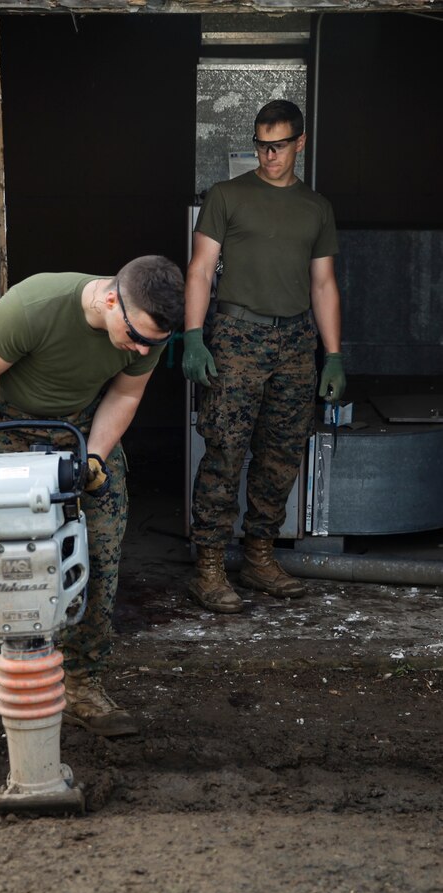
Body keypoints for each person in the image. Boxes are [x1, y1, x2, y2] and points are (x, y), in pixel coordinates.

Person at [0, 256, 184, 763]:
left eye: (152, 345)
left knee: (97, 556)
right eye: (136, 337)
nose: (140, 350)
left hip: (78, 432)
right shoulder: (34, 305)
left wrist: (93, 457)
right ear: (112, 299)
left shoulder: (145, 332)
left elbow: (127, 393)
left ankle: (82, 682)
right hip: (8, 428)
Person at [182, 99, 345, 614]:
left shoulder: (316, 207)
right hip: (235, 334)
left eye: (277, 146)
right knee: (225, 450)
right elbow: (201, 270)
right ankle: (208, 565)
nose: (268, 155)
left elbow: (323, 283)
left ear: (300, 143)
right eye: (260, 144)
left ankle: (258, 555)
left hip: (297, 341)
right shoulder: (227, 196)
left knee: (280, 454)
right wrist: (192, 336)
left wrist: (334, 355)